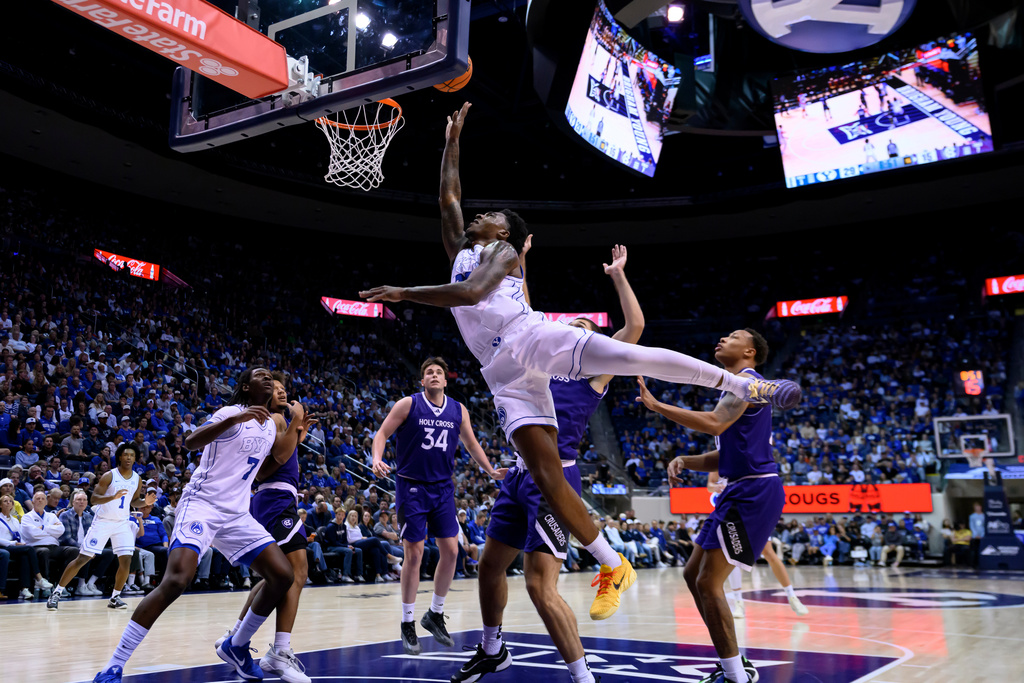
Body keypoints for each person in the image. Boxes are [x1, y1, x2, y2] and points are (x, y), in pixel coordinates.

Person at [361, 102, 801, 622]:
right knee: (546, 474)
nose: (481, 214)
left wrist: (405, 292)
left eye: (493, 215)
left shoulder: (501, 257)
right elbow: (448, 196)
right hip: (501, 374)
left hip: (528, 339)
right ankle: (612, 563)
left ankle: (747, 385)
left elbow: (471, 293)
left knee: (633, 352)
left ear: (506, 235)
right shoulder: (461, 244)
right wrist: (452, 139)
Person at [453, 243, 645, 683]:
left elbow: (634, 326)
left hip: (556, 478)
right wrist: (519, 253)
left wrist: (617, 276)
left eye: (583, 328)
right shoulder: (538, 358)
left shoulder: (594, 372)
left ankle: (583, 677)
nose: (573, 329)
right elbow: (524, 303)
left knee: (539, 584)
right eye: (569, 325)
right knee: (489, 566)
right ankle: (492, 648)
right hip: (519, 474)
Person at [90, 368, 301, 683]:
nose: (269, 378)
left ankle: (237, 645)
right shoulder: (230, 412)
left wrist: (298, 429)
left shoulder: (270, 425)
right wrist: (231, 422)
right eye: (261, 376)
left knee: (283, 575)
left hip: (237, 514)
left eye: (271, 376)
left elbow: (263, 470)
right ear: (246, 386)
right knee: (176, 580)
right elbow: (190, 441)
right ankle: (113, 666)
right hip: (202, 505)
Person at [641, 329, 791, 683]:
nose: (722, 339)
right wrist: (685, 460)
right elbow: (726, 455)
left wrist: (658, 406)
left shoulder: (748, 383)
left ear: (750, 351)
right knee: (693, 576)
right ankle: (733, 664)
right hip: (737, 490)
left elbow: (715, 423)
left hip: (753, 492)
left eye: (733, 336)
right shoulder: (734, 387)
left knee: (709, 583)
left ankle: (736, 675)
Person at [371, 356, 505, 655]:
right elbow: (381, 434)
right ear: (422, 381)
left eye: (438, 372)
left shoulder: (458, 410)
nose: (433, 375)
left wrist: (490, 470)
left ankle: (434, 613)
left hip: (443, 488)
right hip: (412, 486)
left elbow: (471, 444)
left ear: (445, 380)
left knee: (452, 551)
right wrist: (377, 458)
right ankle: (407, 621)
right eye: (428, 372)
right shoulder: (408, 404)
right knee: (414, 553)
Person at [216, 375, 314, 683]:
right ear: (264, 396)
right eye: (273, 387)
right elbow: (278, 460)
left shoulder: (277, 421)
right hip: (275, 498)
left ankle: (234, 635)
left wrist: (296, 432)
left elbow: (272, 462)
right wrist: (296, 420)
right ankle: (279, 651)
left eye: (284, 386)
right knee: (298, 572)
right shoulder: (274, 418)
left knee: (277, 575)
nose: (282, 390)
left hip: (272, 498)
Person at [48, 444, 153, 611]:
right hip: (103, 521)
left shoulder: (137, 479)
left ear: (135, 458)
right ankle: (56, 593)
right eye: (125, 455)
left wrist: (145, 502)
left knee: (126, 559)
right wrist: (113, 496)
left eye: (131, 455)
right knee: (83, 558)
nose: (128, 458)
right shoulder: (109, 476)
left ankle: (115, 597)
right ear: (119, 457)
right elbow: (94, 499)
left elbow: (134, 501)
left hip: (122, 522)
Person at [705, 473, 808, 619]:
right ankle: (739, 602)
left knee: (769, 552)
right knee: (731, 558)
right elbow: (709, 486)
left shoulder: (745, 459)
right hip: (732, 513)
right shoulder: (717, 461)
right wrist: (718, 487)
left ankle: (792, 597)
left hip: (753, 510)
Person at [1, 493, 51, 599]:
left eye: (10, 501)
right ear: (0, 505)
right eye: (5, 501)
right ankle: (39, 578)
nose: (8, 503)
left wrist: (22, 543)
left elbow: (20, 535)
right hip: (4, 546)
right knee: (29, 549)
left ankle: (24, 589)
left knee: (25, 555)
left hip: (14, 547)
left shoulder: (14, 520)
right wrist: (13, 543)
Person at [21, 490, 64, 587]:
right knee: (44, 551)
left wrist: (44, 527)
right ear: (32, 502)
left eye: (42, 499)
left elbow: (61, 530)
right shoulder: (27, 517)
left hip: (54, 546)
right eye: (37, 499)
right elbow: (32, 534)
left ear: (46, 502)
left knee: (72, 551)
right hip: (36, 547)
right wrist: (52, 531)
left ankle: (61, 584)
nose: (40, 501)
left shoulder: (52, 516)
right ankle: (44, 584)